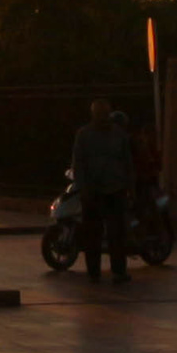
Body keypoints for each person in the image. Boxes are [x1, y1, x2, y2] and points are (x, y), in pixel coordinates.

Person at [67, 99, 135, 286]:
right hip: (93, 192)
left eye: (105, 114)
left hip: (115, 190)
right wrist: (83, 188)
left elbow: (127, 162)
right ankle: (94, 271)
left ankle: (119, 271)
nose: (102, 118)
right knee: (93, 234)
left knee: (117, 234)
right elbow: (78, 163)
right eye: (99, 114)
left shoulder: (119, 135)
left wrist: (130, 187)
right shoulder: (84, 135)